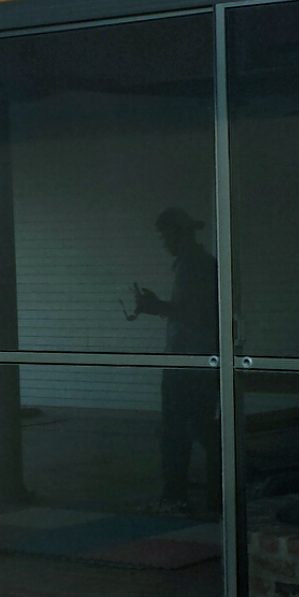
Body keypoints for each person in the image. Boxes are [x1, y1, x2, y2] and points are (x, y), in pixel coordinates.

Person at [133, 208, 221, 513]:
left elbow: (194, 314)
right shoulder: (204, 264)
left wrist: (157, 306)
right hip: (201, 359)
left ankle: (174, 496)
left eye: (166, 236)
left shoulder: (192, 267)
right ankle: (220, 488)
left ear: (178, 235)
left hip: (187, 360)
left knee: (175, 429)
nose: (164, 242)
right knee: (200, 425)